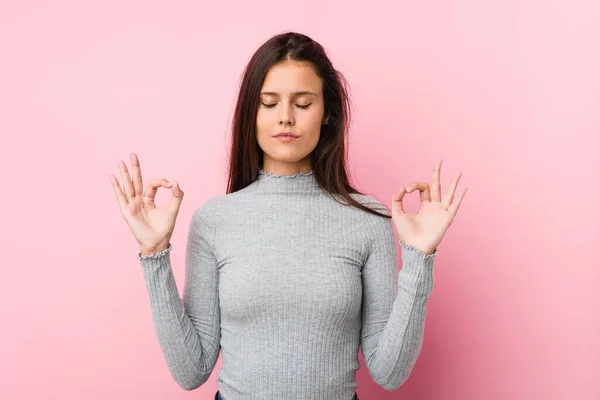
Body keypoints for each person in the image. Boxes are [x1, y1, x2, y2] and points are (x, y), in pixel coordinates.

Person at [109, 31, 467, 400]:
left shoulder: (369, 220)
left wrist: (420, 258)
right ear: (252, 112)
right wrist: (153, 253)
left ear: (327, 113)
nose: (285, 118)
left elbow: (389, 373)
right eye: (268, 103)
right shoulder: (215, 220)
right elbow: (191, 370)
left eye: (303, 103)